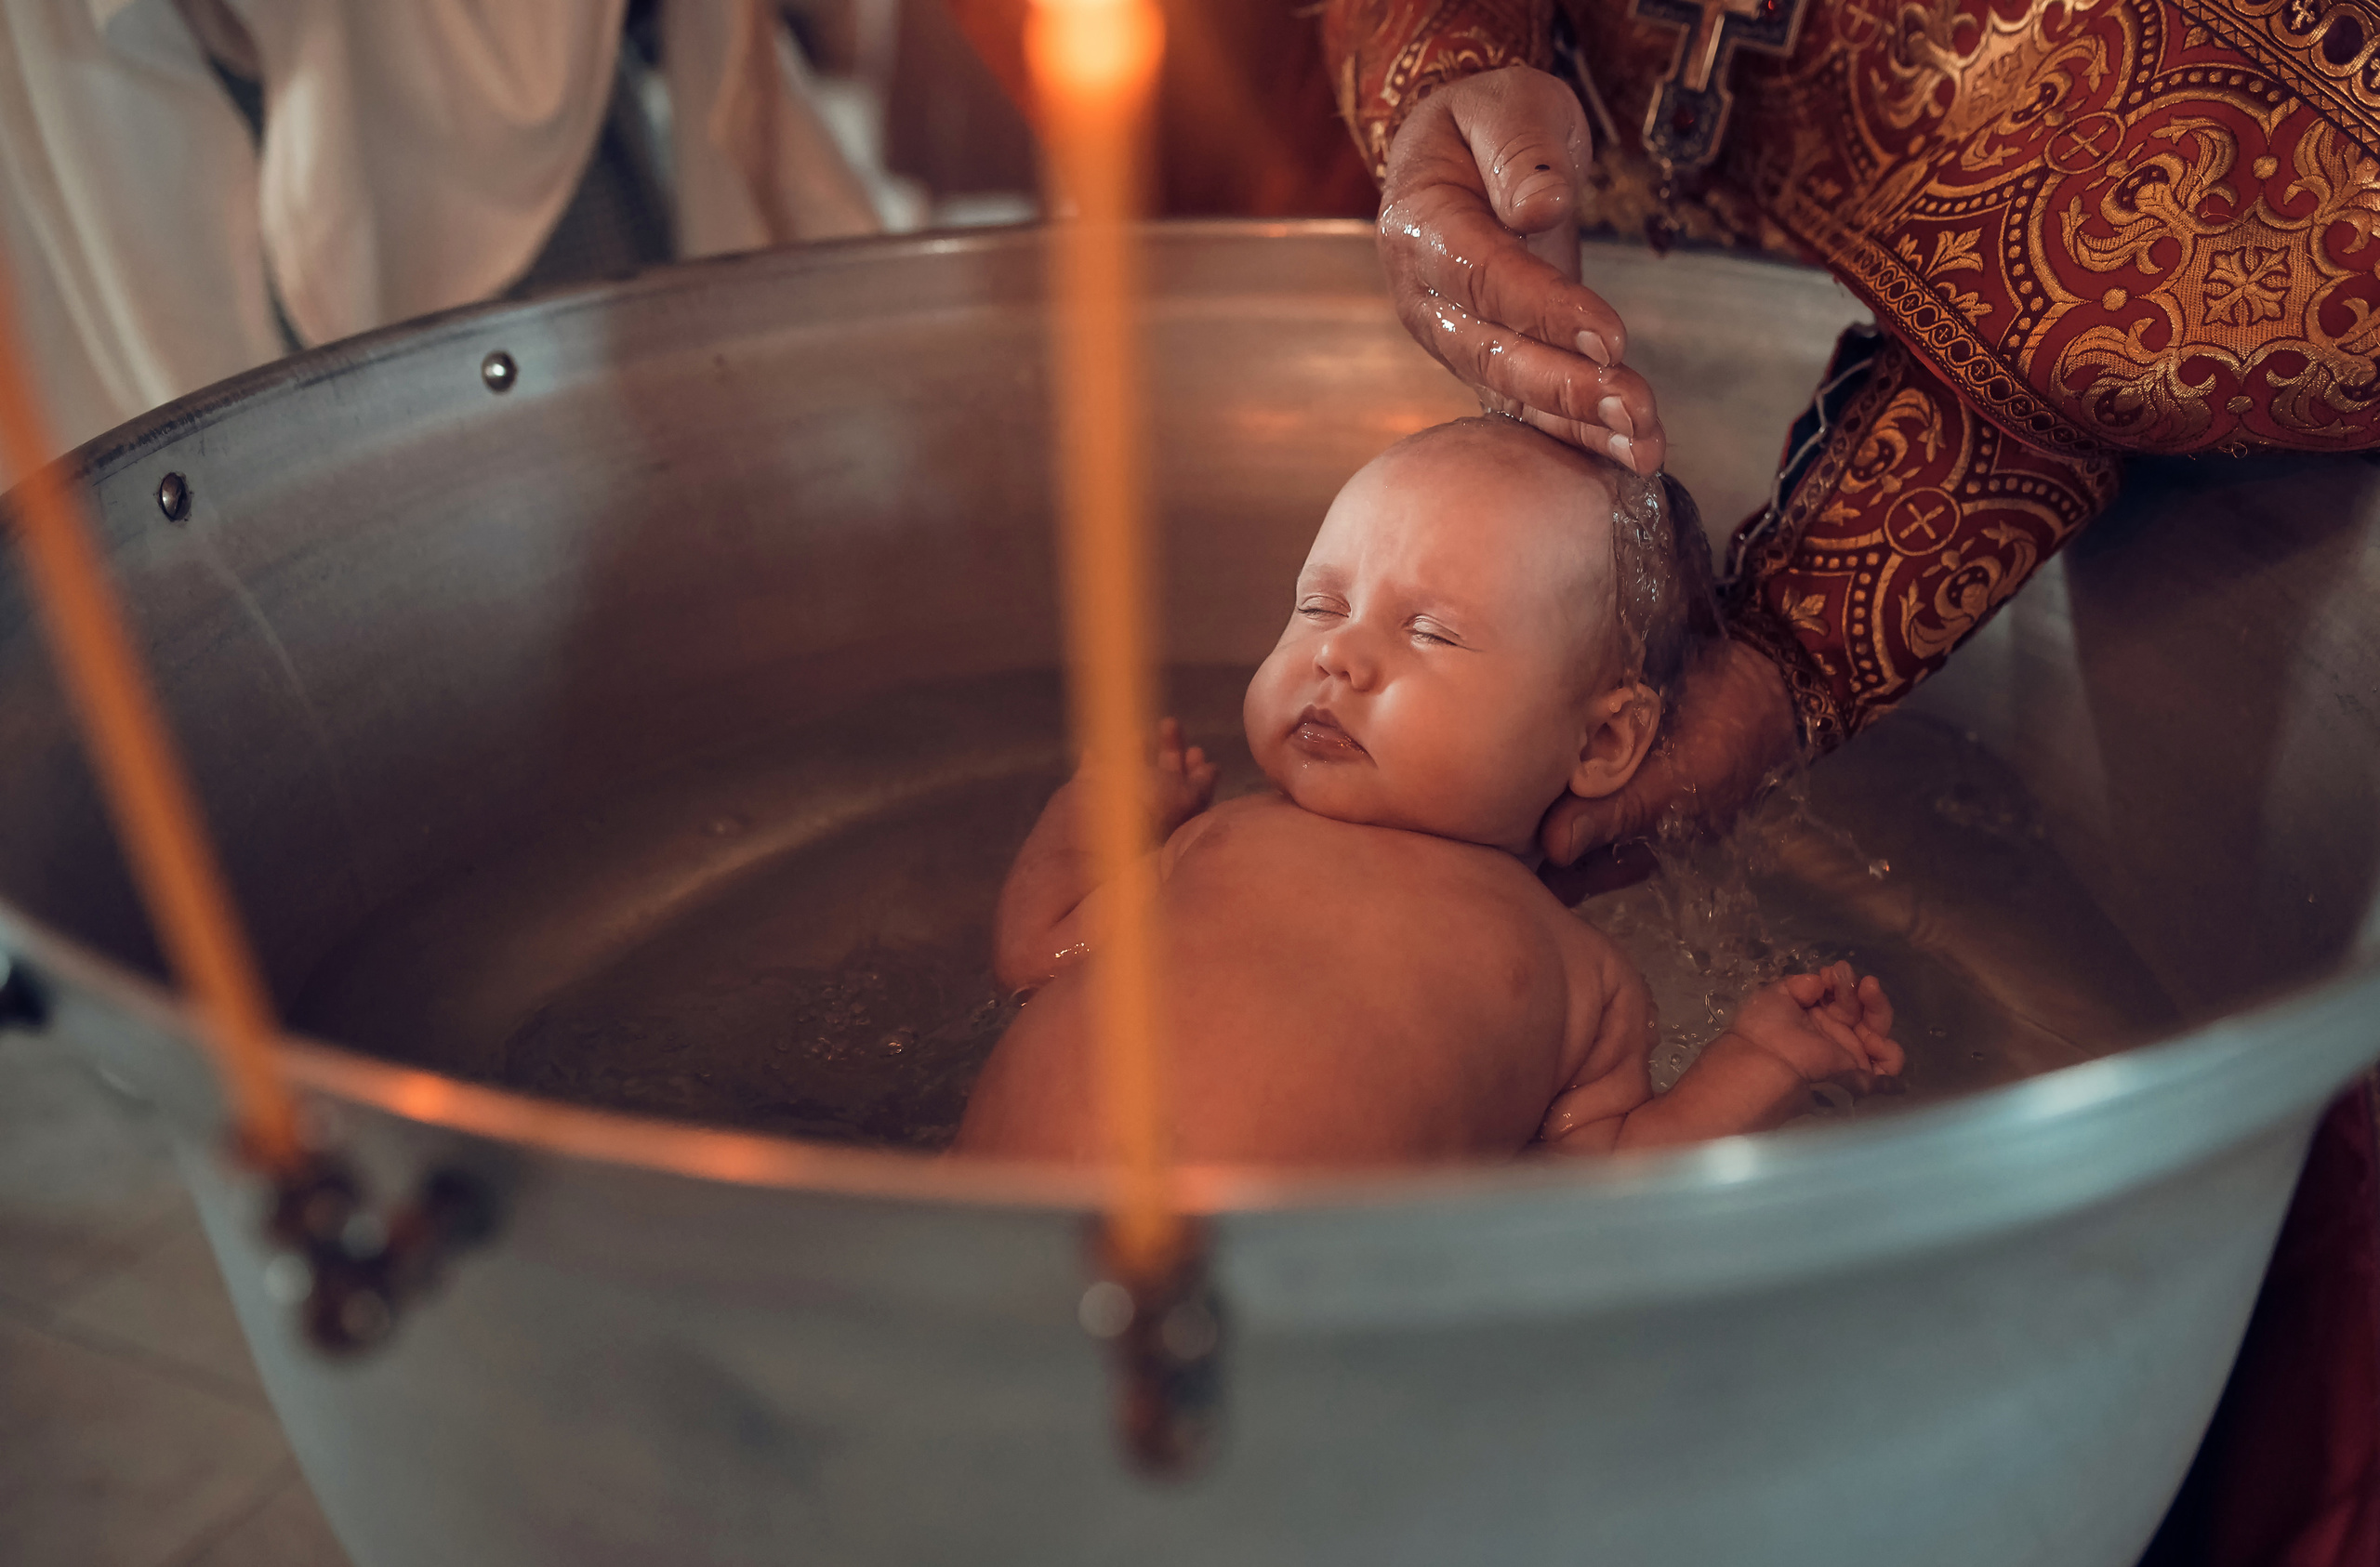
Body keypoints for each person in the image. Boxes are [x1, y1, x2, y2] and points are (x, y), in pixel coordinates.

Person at [953, 417, 1903, 1165]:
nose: (1336, 653)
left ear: (1603, 741)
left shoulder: (1582, 979)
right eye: (1320, 605)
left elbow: (1603, 1186)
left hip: (1242, 1297)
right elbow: (1040, 955)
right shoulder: (1224, 838)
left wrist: (1761, 1065)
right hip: (981, 1225)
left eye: (1430, 633)